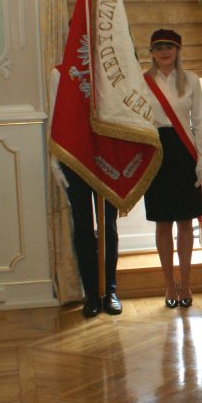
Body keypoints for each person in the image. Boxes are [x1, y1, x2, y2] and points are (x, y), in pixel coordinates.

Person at [141, 29, 202, 308]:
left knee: (185, 222)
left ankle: (186, 283)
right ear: (152, 53)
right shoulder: (142, 82)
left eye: (169, 46)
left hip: (184, 153)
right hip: (156, 152)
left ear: (178, 50)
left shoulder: (191, 80)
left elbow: (200, 123)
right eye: (158, 47)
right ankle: (169, 284)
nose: (164, 51)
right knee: (163, 222)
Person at [48, 69, 121, 318]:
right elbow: (56, 117)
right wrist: (55, 162)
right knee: (83, 227)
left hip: (107, 157)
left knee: (108, 226)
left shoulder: (110, 66)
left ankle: (109, 291)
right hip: (75, 158)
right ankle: (91, 293)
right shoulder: (59, 73)